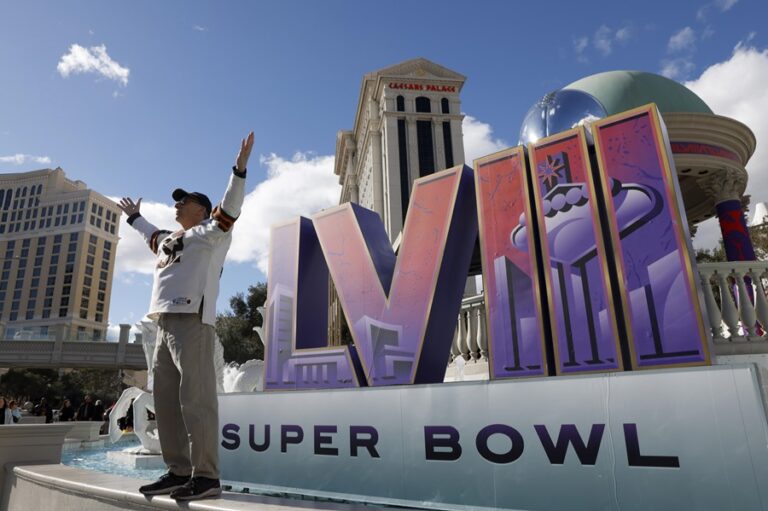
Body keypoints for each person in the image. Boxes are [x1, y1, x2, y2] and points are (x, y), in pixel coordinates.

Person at [118, 132, 252, 501]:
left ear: (203, 211)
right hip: (162, 323)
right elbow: (149, 233)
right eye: (178, 202)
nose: (178, 206)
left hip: (193, 320)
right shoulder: (168, 239)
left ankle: (206, 476)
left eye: (187, 202)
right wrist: (134, 217)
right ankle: (177, 471)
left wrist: (238, 170)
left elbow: (231, 206)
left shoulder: (213, 233)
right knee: (165, 401)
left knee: (198, 400)